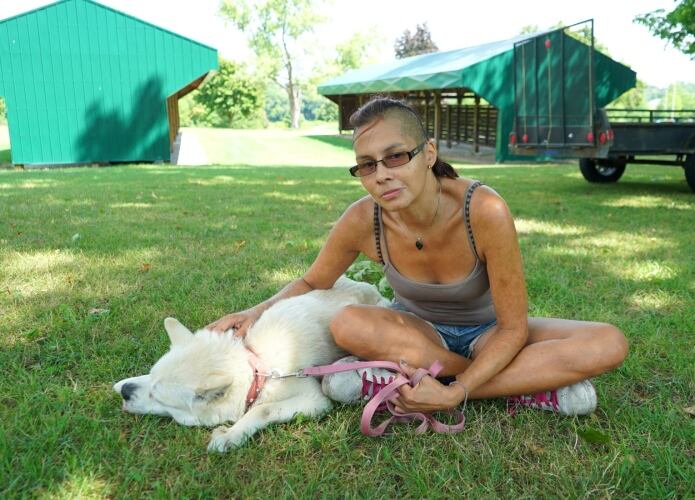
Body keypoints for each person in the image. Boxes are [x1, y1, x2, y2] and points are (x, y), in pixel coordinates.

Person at [208, 96, 628, 416]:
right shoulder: (362, 220)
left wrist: (456, 392)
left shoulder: (484, 210)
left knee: (606, 343)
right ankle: (523, 383)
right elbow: (312, 282)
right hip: (415, 333)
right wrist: (253, 312)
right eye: (367, 165)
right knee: (348, 323)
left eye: (395, 156)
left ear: (428, 153)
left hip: (488, 334)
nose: (382, 174)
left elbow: (513, 329)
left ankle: (420, 383)